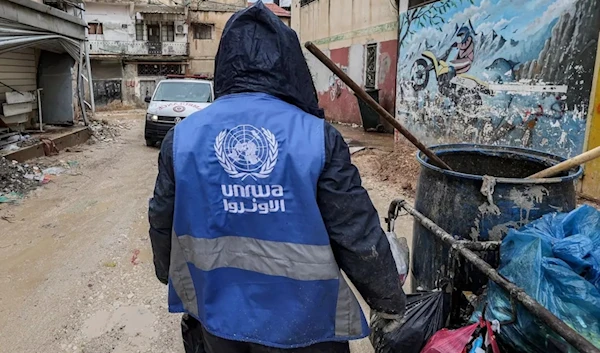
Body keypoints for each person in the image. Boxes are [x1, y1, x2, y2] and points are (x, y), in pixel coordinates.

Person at [148, 2, 406, 353]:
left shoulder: (181, 139)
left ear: (224, 63)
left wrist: (165, 271)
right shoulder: (317, 137)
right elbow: (356, 231)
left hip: (218, 318)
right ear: (289, 64)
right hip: (306, 326)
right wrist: (387, 298)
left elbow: (162, 219)